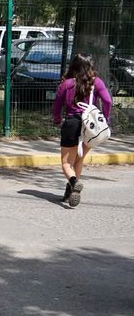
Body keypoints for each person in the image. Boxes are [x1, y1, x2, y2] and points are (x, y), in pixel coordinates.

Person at [52, 54, 112, 208]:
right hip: (90, 127)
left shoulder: (67, 84)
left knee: (66, 163)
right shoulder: (96, 82)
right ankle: (72, 191)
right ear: (90, 66)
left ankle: (73, 182)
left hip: (72, 123)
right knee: (79, 160)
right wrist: (105, 118)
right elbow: (108, 101)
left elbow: (57, 105)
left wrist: (57, 119)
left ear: (73, 66)